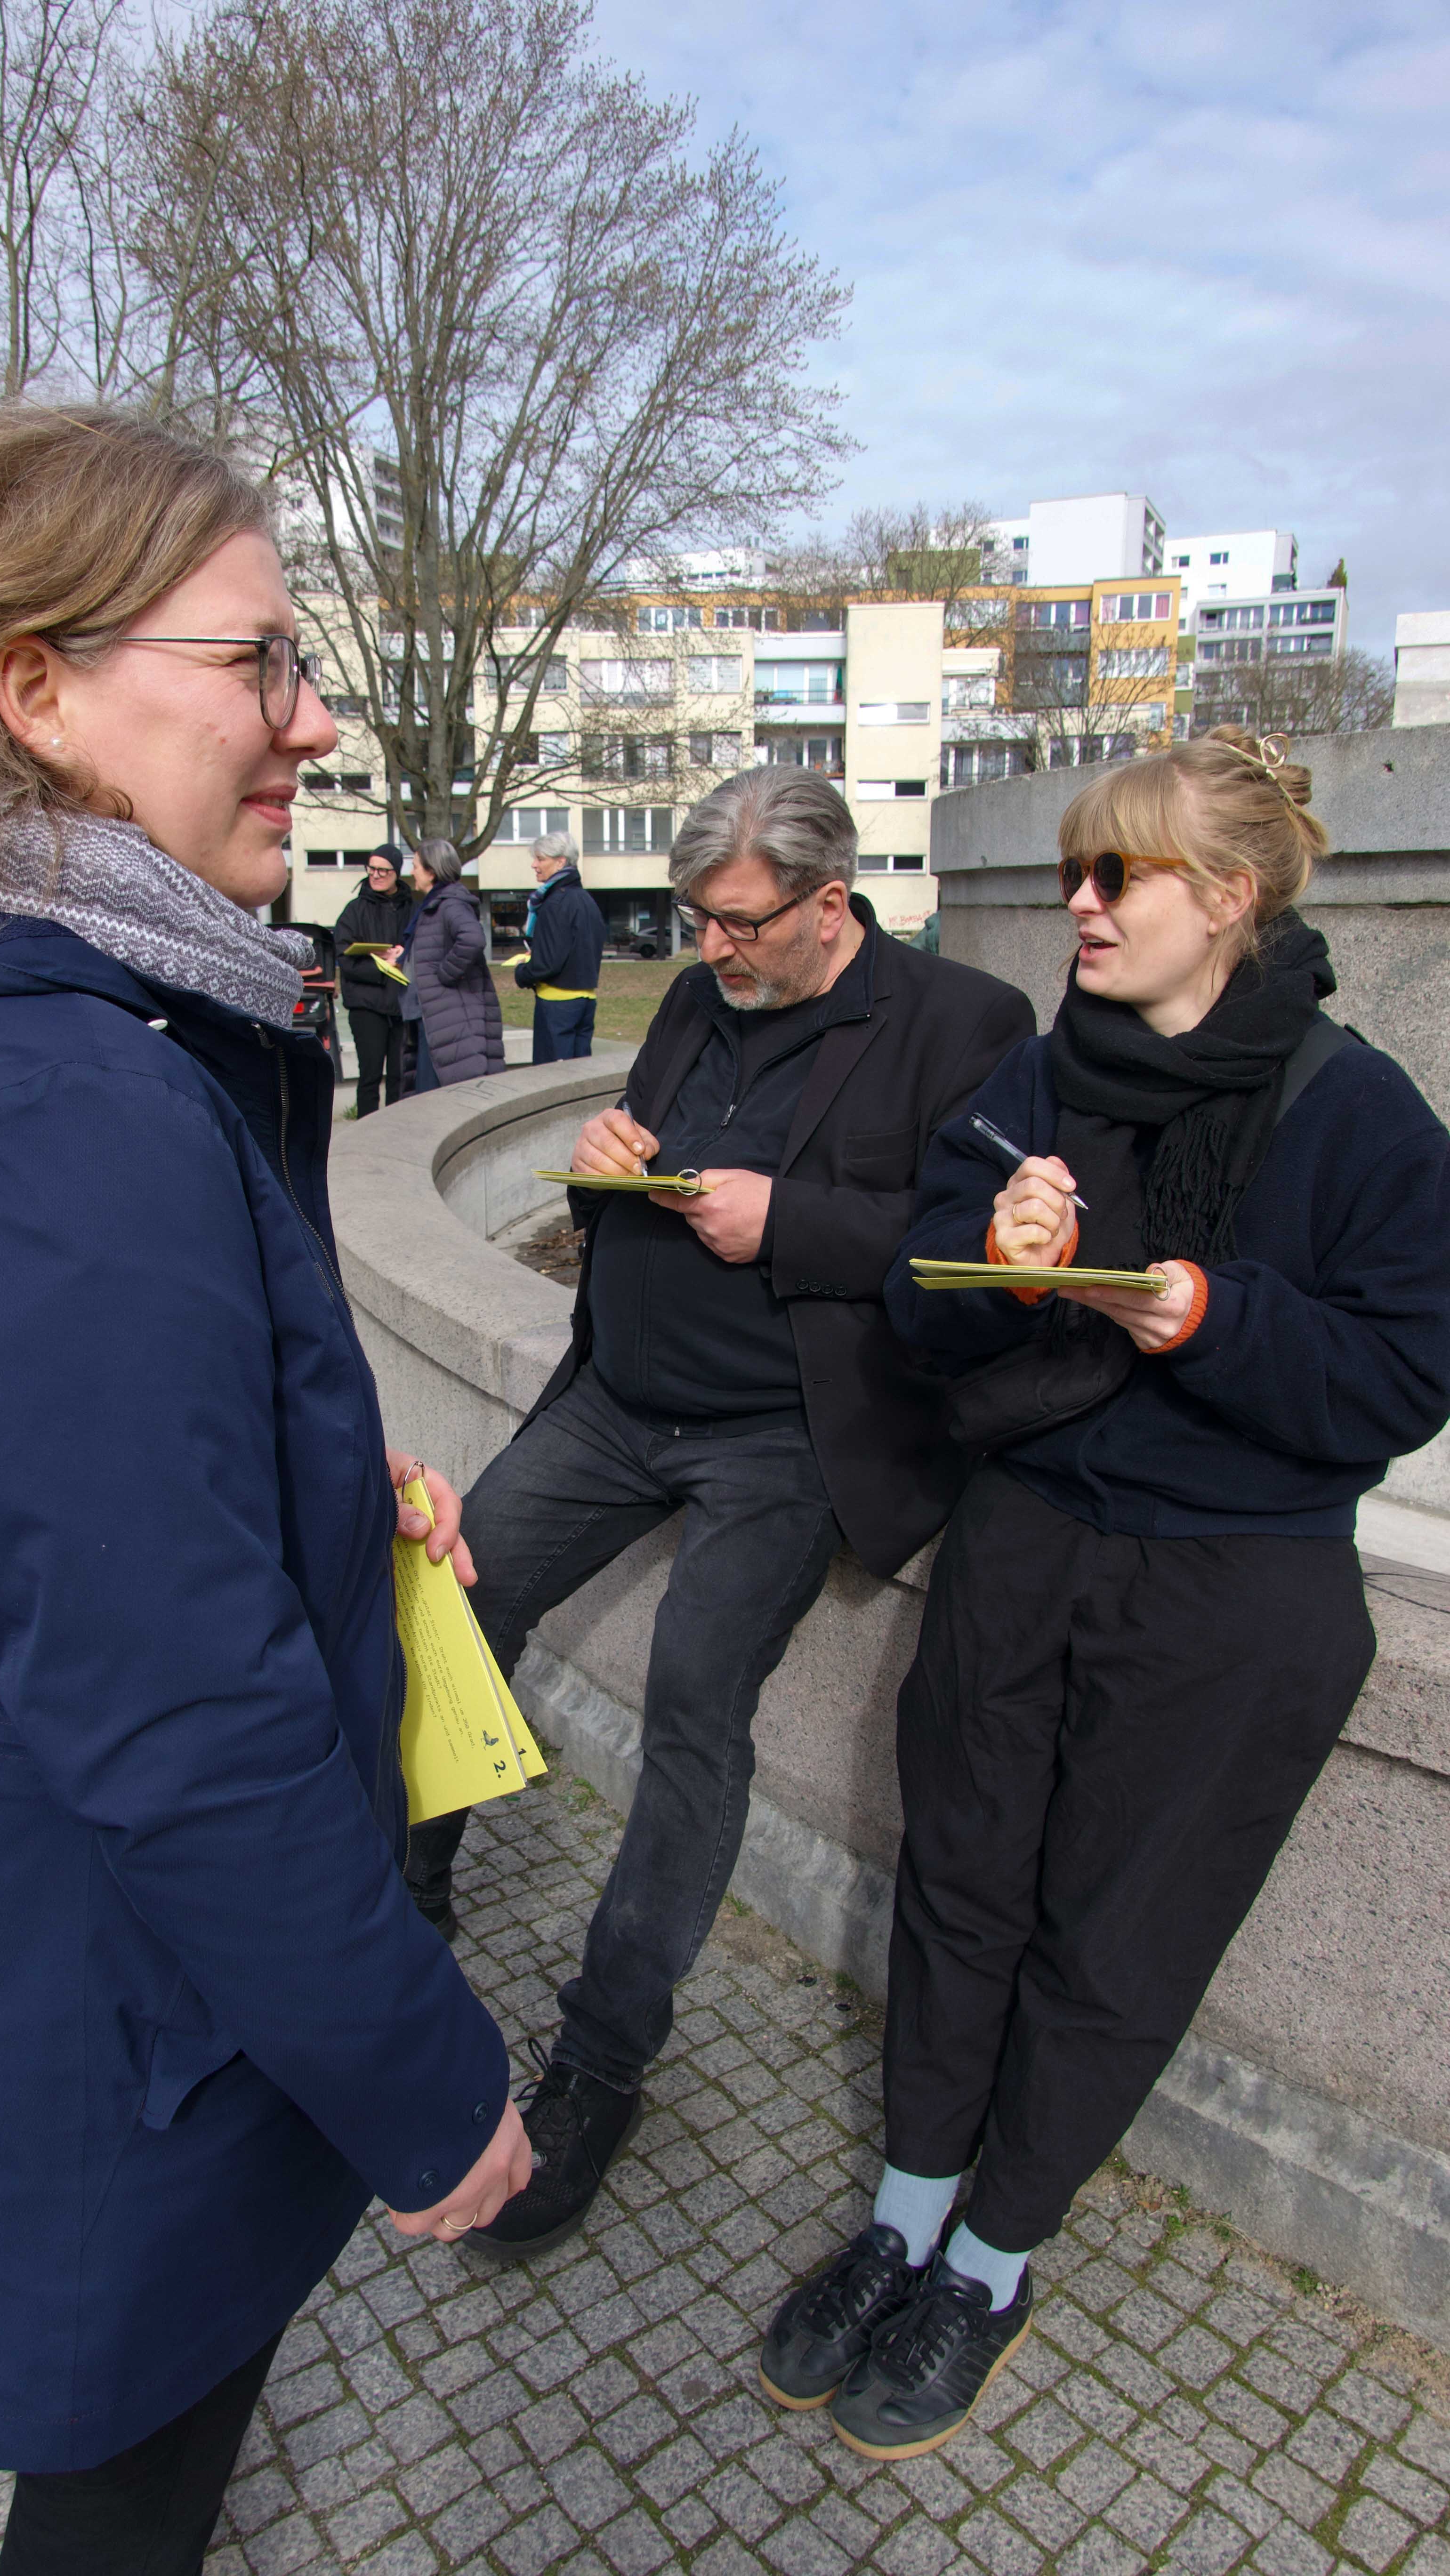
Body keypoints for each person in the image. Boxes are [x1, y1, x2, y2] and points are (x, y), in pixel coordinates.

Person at [0, 404, 530, 2574]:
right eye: (260, 660)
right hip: (92, 2021)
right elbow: (180, 1723)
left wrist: (309, 1483)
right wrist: (428, 2084)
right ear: (34, 687)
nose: (314, 719)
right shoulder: (48, 1110)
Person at [761, 727, 1450, 2465]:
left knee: (1113, 1938)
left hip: (1230, 1595)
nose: (1077, 902)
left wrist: (1207, 1315)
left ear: (1223, 898)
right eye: (1072, 868)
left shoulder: (1358, 1112)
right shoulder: (1034, 1075)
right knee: (960, 1887)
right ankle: (905, 2215)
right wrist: (997, 1270)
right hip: (1024, 1545)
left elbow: (1398, 1380)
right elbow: (917, 1306)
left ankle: (990, 2265)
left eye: (1113, 874)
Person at [405, 766, 1035, 2257]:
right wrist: (600, 1167)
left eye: (741, 922)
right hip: (617, 1401)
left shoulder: (962, 1021)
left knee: (694, 1704)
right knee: (457, 1596)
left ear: (831, 904)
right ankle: (408, 1881)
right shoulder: (698, 998)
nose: (711, 949)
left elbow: (975, 1253)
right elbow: (627, 1157)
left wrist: (790, 1220)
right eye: (697, 918)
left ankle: (601, 2059)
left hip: (782, 1440)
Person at [393, 838, 505, 1089]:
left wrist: (445, 974)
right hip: (432, 1016)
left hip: (446, 1018)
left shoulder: (450, 903)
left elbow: (473, 940)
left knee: (438, 1095)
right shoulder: (435, 904)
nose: (411, 872)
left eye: (416, 866)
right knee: (430, 1093)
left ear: (432, 871)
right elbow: (436, 947)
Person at [334, 844, 413, 1113]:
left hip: (402, 1005)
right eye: (372, 869)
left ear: (397, 873)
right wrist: (381, 966)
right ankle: (367, 1131)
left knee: (400, 1077)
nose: (376, 875)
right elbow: (345, 959)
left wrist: (404, 955)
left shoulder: (413, 909)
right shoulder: (354, 911)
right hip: (366, 1006)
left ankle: (397, 1129)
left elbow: (424, 949)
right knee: (369, 1076)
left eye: (383, 870)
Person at [514, 829, 603, 1060]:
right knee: (580, 1074)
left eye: (541, 859)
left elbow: (548, 963)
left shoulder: (556, 903)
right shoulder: (586, 900)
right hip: (586, 999)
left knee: (552, 1074)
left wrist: (522, 973)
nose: (534, 865)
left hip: (557, 1002)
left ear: (561, 862)